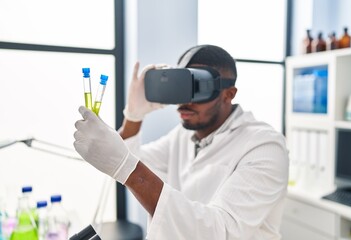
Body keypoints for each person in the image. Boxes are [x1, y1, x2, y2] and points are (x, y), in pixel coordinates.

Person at [74, 44, 289, 239]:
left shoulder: (264, 147)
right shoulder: (183, 136)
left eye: (198, 88)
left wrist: (126, 167)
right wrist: (133, 116)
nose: (185, 101)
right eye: (181, 87)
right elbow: (126, 160)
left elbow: (221, 232)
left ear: (228, 94)